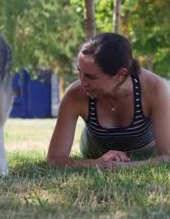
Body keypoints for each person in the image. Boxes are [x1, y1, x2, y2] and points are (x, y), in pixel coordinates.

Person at [47, 33, 170, 169]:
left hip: (146, 153)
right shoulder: (74, 94)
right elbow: (54, 159)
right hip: (94, 151)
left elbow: (167, 157)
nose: (82, 83)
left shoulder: (155, 89)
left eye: (91, 77)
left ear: (120, 75)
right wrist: (97, 163)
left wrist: (125, 167)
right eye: (79, 72)